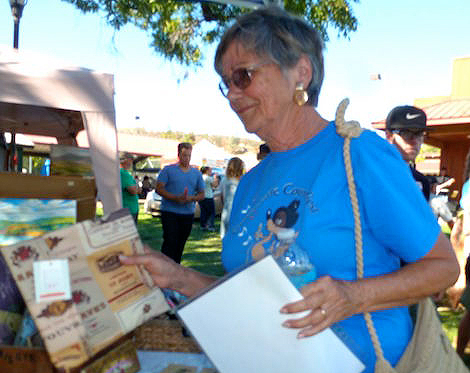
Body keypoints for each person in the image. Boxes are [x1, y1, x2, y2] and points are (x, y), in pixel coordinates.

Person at [120, 7, 459, 372]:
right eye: (225, 83)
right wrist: (177, 276)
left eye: (243, 76)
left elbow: (442, 268)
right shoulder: (251, 182)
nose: (232, 94)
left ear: (300, 72)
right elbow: (249, 297)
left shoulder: (358, 154)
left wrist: (351, 297)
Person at [155, 142, 205, 263]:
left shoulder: (196, 173)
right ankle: (164, 266)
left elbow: (202, 194)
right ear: (179, 155)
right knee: (170, 240)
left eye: (189, 155)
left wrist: (191, 198)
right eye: (184, 155)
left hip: (187, 213)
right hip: (169, 211)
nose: (187, 158)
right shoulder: (168, 170)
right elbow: (159, 188)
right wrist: (174, 198)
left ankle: (175, 267)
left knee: (181, 242)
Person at [385, 105, 431, 201]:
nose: (414, 141)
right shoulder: (372, 173)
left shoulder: (421, 181)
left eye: (419, 134)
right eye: (406, 133)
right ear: (389, 136)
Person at [220, 157, 244, 239]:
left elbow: (222, 196)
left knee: (226, 237)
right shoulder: (242, 181)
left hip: (226, 211)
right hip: (238, 212)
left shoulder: (224, 180)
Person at [120, 152, 140, 223]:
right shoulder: (124, 174)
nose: (131, 162)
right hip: (129, 209)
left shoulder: (122, 173)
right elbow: (133, 191)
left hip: (127, 208)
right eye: (131, 160)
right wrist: (138, 189)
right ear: (125, 160)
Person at [199, 166, 218, 231]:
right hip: (208, 197)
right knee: (211, 212)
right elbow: (215, 185)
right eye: (210, 170)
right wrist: (215, 178)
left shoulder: (200, 177)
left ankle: (203, 225)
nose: (211, 172)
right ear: (206, 171)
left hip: (201, 197)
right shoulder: (208, 178)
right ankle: (210, 226)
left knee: (203, 212)